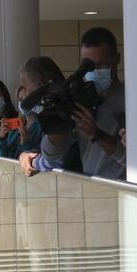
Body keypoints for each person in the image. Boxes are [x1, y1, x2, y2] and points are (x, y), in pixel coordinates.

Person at [20, 29, 127, 180]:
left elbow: (131, 159)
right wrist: (57, 128)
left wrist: (96, 134)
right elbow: (52, 154)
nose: (94, 71)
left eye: (101, 64)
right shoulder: (80, 101)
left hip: (124, 189)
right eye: (89, 65)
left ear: (116, 60)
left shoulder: (130, 99)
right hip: (90, 188)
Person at [0, 80, 28, 158]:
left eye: (27, 98)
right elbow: (1, 157)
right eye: (20, 100)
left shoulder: (41, 126)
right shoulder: (16, 124)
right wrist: (2, 138)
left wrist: (26, 144)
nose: (23, 103)